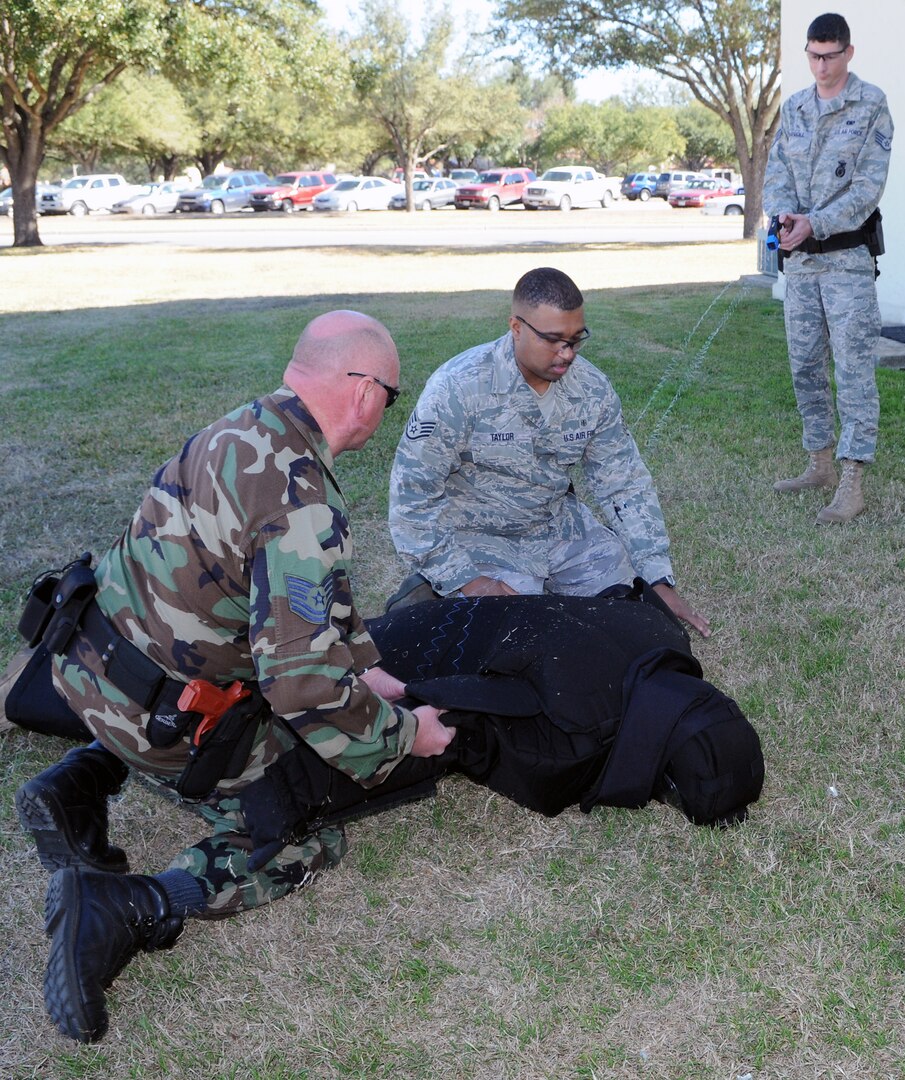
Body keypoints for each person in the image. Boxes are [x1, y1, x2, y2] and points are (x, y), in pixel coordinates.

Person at [15, 310, 454, 1044]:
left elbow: (307, 611)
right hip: (158, 721)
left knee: (239, 688)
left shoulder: (240, 430)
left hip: (83, 672)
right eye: (392, 396)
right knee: (295, 827)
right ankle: (132, 906)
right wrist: (409, 736)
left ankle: (77, 782)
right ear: (366, 392)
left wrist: (372, 674)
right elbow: (303, 686)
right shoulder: (303, 501)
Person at [387, 267, 710, 636]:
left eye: (576, 339)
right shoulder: (458, 388)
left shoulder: (591, 389)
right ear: (516, 327)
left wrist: (657, 579)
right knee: (520, 633)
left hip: (555, 527)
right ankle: (430, 590)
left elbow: (624, 483)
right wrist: (466, 579)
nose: (568, 353)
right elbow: (412, 497)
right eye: (554, 339)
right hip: (478, 535)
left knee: (628, 616)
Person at [764, 12, 893, 524]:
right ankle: (818, 463)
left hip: (846, 264)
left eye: (830, 55)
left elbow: (867, 189)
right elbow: (776, 171)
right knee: (804, 366)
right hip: (801, 267)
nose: (821, 65)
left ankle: (852, 480)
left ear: (848, 53)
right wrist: (783, 218)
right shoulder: (794, 107)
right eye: (814, 55)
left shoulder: (871, 105)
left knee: (853, 368)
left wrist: (813, 222)